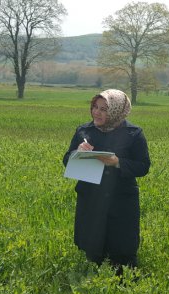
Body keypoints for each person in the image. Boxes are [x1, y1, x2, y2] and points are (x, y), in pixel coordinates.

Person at [63, 89, 151, 274]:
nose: (97, 112)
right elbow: (66, 160)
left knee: (122, 248)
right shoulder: (84, 131)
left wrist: (117, 162)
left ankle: (125, 282)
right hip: (91, 197)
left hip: (121, 199)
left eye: (103, 109)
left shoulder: (133, 134)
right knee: (93, 245)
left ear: (116, 111)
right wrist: (77, 152)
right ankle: (94, 279)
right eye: (95, 107)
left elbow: (143, 166)